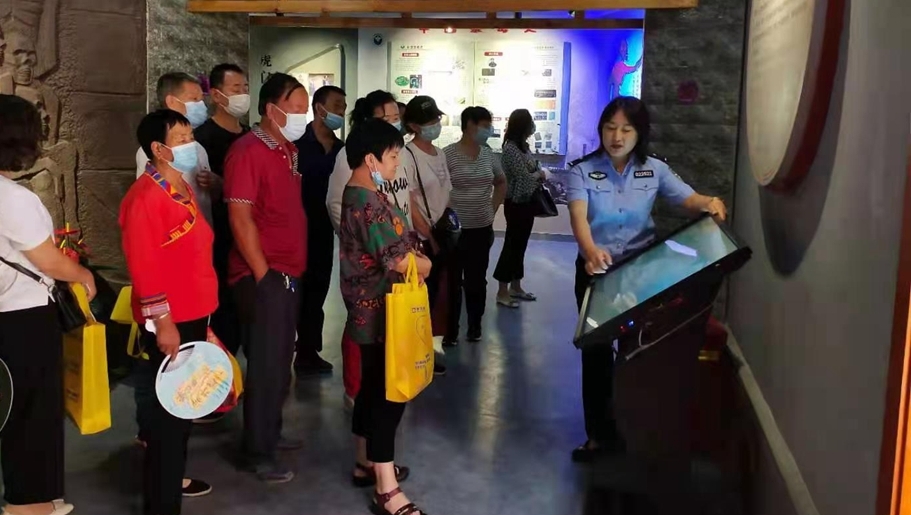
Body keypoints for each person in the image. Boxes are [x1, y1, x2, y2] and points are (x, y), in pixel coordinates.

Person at [566, 96, 727, 462]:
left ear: (640, 133)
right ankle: (598, 436)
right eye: (610, 128)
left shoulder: (655, 169)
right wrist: (591, 251)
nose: (617, 137)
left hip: (640, 273)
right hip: (596, 273)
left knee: (637, 351)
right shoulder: (582, 171)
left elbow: (688, 199)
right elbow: (578, 217)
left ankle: (634, 429)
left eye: (626, 129)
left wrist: (710, 202)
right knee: (596, 354)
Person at [0, 94, 94, 515]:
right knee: (32, 408)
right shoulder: (14, 199)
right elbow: (48, 260)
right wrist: (83, 275)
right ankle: (28, 501)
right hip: (23, 316)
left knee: (10, 404)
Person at [120, 109, 218, 515]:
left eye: (190, 135)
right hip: (171, 321)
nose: (190, 144)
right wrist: (163, 323)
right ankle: (161, 503)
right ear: (158, 149)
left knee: (182, 410)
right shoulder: (144, 198)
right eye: (181, 138)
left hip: (193, 314)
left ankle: (171, 487)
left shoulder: (181, 187)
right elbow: (145, 268)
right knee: (167, 419)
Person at [339, 117, 431, 515]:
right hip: (380, 310)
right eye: (393, 156)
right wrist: (425, 264)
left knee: (373, 387)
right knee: (389, 395)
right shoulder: (366, 202)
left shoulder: (364, 193)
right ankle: (387, 489)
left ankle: (365, 462)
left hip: (371, 308)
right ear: (371, 159)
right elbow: (397, 260)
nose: (397, 163)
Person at [224, 73, 309, 483]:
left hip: (288, 271)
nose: (302, 116)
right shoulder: (247, 151)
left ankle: (270, 433)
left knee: (279, 361)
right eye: (296, 108)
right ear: (272, 109)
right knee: (266, 364)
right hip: (264, 274)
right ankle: (257, 451)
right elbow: (240, 217)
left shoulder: (288, 150)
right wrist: (263, 274)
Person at [325, 90, 421, 407]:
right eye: (387, 118)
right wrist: (364, 242)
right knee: (372, 368)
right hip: (372, 275)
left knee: (383, 365)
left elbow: (404, 199)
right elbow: (340, 205)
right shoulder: (358, 175)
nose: (394, 123)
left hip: (389, 251)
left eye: (396, 117)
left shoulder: (388, 161)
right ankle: (357, 395)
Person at [195, 63, 250, 361]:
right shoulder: (200, 139)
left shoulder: (251, 137)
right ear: (216, 95)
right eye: (236, 88)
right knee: (223, 310)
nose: (243, 94)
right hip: (218, 240)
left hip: (249, 238)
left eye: (245, 88)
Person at [293, 85, 346, 377]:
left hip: (325, 231)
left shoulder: (342, 150)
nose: (341, 112)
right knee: (293, 292)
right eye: (337, 106)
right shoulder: (296, 145)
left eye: (344, 107)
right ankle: (285, 346)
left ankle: (308, 351)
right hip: (296, 229)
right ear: (319, 108)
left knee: (317, 291)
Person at [442, 106, 506, 345]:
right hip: (454, 231)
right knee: (453, 281)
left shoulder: (488, 154)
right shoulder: (448, 154)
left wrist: (493, 208)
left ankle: (475, 325)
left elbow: (501, 182)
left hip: (481, 228)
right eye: (485, 125)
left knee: (477, 280)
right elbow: (438, 188)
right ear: (470, 125)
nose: (489, 130)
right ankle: (450, 331)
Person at [135, 73, 215, 228]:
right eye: (194, 99)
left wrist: (215, 185)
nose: (201, 106)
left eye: (202, 100)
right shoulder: (154, 150)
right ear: (171, 101)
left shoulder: (199, 149)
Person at [492, 109, 546, 308]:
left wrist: (536, 172)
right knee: (511, 246)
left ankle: (516, 286)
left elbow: (532, 168)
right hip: (516, 203)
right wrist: (538, 175)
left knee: (520, 246)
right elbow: (523, 178)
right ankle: (502, 291)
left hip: (527, 203)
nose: (533, 126)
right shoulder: (511, 149)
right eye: (530, 122)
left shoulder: (524, 147)